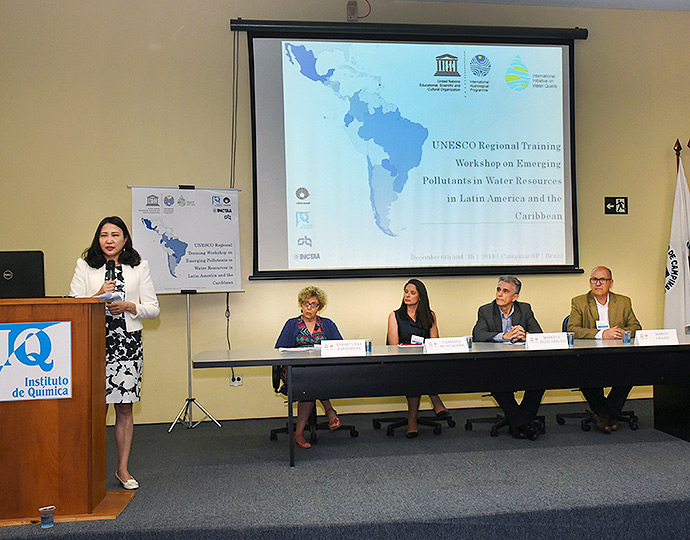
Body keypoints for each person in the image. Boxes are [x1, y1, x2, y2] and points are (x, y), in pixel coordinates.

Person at [69, 216, 160, 489]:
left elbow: (153, 308)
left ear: (125, 239)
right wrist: (98, 295)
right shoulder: (85, 266)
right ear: (98, 239)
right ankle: (91, 469)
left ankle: (122, 469)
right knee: (95, 409)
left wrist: (131, 307)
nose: (109, 240)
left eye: (115, 235)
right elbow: (73, 304)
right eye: (104, 235)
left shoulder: (139, 266)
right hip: (95, 341)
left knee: (124, 408)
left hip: (127, 344)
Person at [568, 265, 642, 434]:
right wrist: (602, 334)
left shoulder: (623, 301)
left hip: (618, 354)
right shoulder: (579, 301)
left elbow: (636, 326)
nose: (598, 283)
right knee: (584, 373)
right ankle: (608, 415)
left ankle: (603, 415)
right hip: (590, 354)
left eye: (603, 280)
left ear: (611, 283)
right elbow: (572, 329)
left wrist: (624, 332)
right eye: (594, 279)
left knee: (631, 372)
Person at [472, 275, 544, 440]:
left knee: (540, 380)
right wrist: (504, 336)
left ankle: (519, 423)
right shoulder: (486, 310)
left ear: (515, 297)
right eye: (498, 290)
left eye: (505, 291)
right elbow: (478, 335)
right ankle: (524, 424)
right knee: (496, 382)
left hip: (521, 361)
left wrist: (525, 336)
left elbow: (538, 334)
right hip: (496, 363)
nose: (499, 294)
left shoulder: (525, 309)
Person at [275, 286, 343, 449]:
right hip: (295, 369)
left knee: (314, 377)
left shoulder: (327, 324)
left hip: (321, 368)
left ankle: (298, 434)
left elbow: (340, 346)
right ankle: (329, 411)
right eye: (306, 303)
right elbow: (279, 349)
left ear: (319, 307)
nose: (309, 307)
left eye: (313, 304)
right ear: (301, 304)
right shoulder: (292, 324)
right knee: (309, 379)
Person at [387, 279, 449, 438]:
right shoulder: (395, 316)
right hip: (402, 362)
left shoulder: (430, 316)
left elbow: (435, 343)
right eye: (406, 292)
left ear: (420, 297)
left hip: (424, 361)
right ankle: (434, 404)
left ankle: (413, 419)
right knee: (416, 372)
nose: (407, 295)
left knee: (421, 370)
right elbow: (393, 346)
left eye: (412, 293)